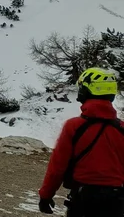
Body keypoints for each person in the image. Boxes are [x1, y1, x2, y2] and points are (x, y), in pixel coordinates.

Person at [38, 67, 124, 215]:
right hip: (117, 201)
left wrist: (46, 195)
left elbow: (57, 167)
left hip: (83, 199)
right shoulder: (122, 129)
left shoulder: (74, 126)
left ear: (86, 91)